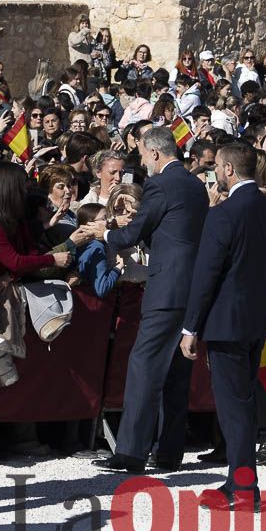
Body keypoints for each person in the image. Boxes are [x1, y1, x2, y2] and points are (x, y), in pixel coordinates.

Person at [89, 127, 208, 473]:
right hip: (191, 287)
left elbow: (134, 231)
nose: (142, 162)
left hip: (166, 287)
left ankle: (130, 452)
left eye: (142, 154)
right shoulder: (195, 185)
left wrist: (105, 233)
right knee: (177, 372)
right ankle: (170, 452)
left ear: (155, 153)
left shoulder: (160, 184)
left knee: (144, 367)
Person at [179, 142, 266, 508]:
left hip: (227, 322)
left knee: (234, 407)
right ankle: (238, 482)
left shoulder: (223, 214)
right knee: (243, 400)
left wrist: (190, 327)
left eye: (218, 169)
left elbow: (206, 274)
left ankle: (242, 486)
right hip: (259, 317)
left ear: (227, 169)